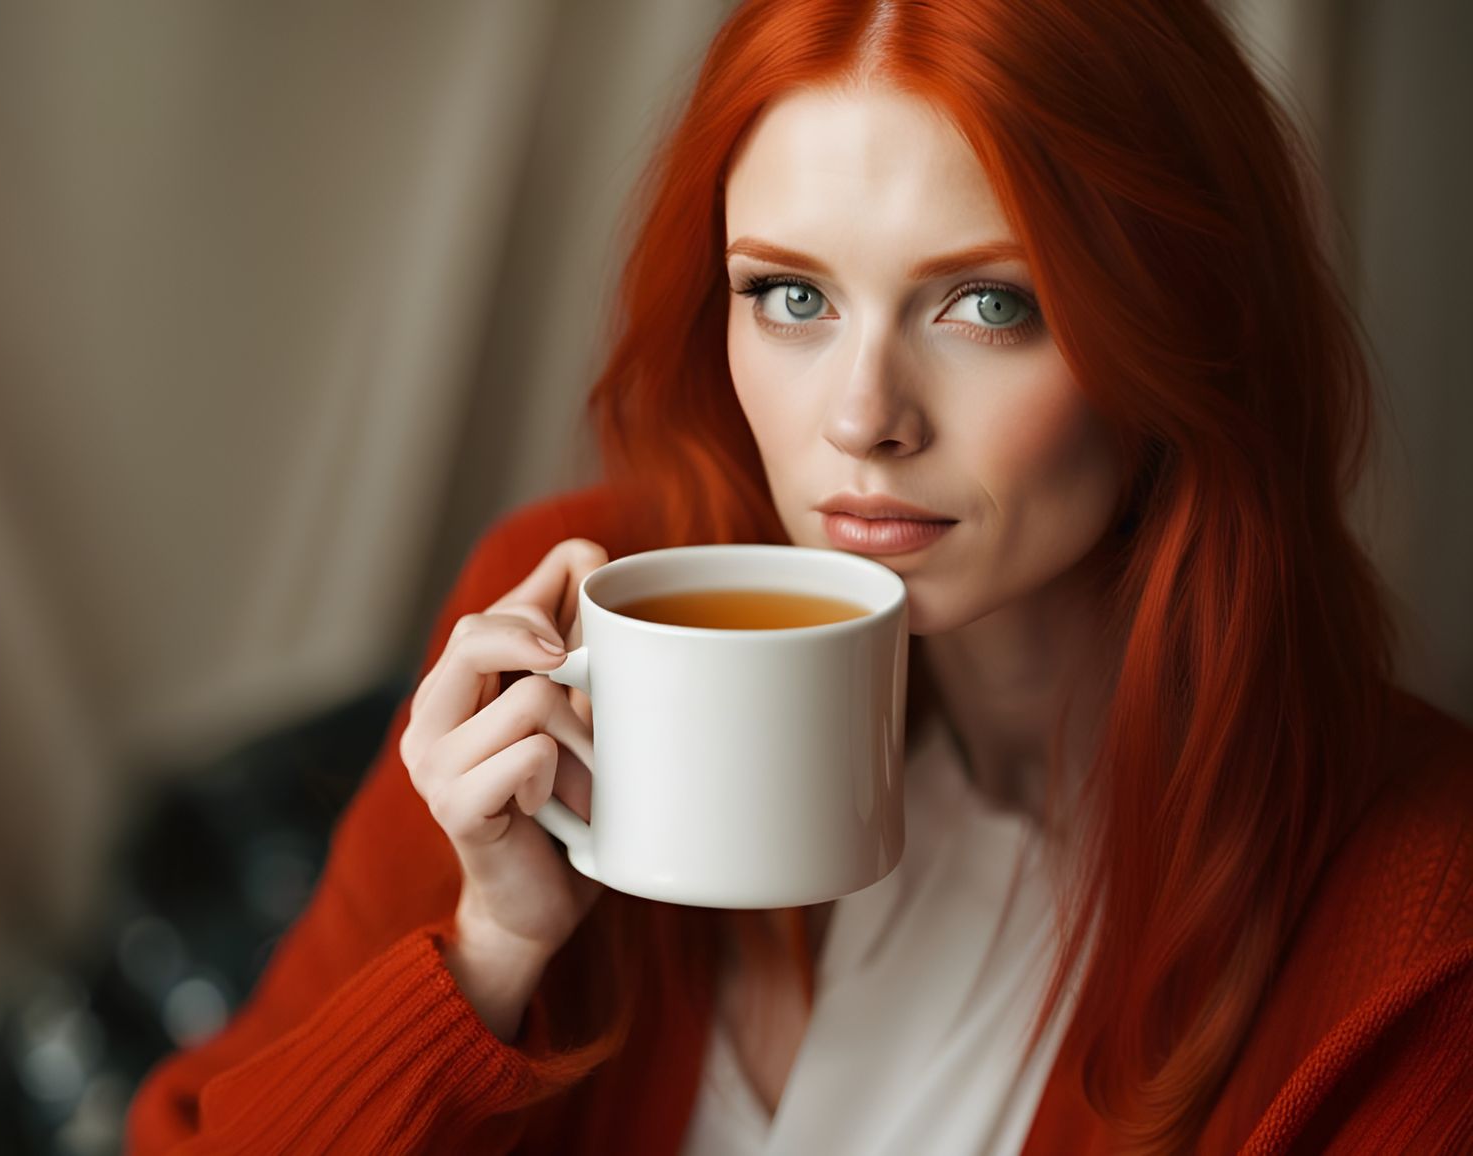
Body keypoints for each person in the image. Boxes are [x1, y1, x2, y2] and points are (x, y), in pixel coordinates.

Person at [126, 1, 1473, 1152]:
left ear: (1187, 321)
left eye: (988, 303)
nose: (861, 417)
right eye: (791, 296)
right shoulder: (582, 612)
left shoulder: (1412, 916)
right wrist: (486, 955)